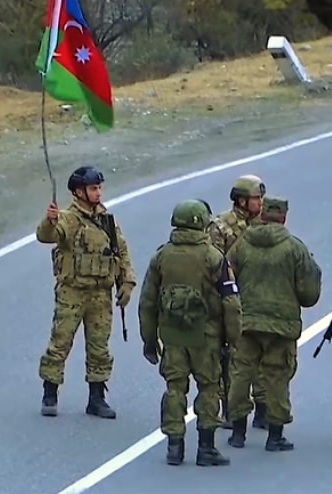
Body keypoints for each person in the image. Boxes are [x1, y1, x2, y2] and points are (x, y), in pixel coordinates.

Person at [138, 199, 243, 467]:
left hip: (173, 336)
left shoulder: (162, 256)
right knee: (209, 388)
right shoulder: (214, 258)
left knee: (174, 388)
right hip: (205, 337)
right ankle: (206, 447)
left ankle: (175, 446)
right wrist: (234, 339)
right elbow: (231, 302)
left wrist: (150, 340)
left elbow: (148, 302)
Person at [35, 165, 136, 419]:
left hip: (101, 294)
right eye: (93, 188)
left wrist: (127, 283)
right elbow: (47, 236)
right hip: (73, 293)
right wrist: (49, 220)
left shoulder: (107, 220)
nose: (98, 193)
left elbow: (120, 252)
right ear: (79, 192)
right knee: (60, 343)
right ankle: (50, 392)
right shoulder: (68, 219)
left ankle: (97, 397)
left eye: (99, 188)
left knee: (99, 347)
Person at [225, 196, 322, 451]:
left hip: (246, 323)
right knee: (277, 376)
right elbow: (309, 294)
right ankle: (275, 435)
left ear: (262, 215)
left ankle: (237, 432)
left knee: (240, 374)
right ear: (284, 218)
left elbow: (225, 277)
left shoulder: (242, 244)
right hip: (281, 327)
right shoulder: (294, 248)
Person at [207, 174, 269, 430]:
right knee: (231, 359)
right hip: (231, 300)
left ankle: (264, 409)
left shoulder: (265, 226)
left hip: (258, 301)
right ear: (242, 201)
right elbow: (214, 265)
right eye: (256, 198)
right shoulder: (221, 226)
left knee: (263, 357)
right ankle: (232, 410)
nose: (261, 203)